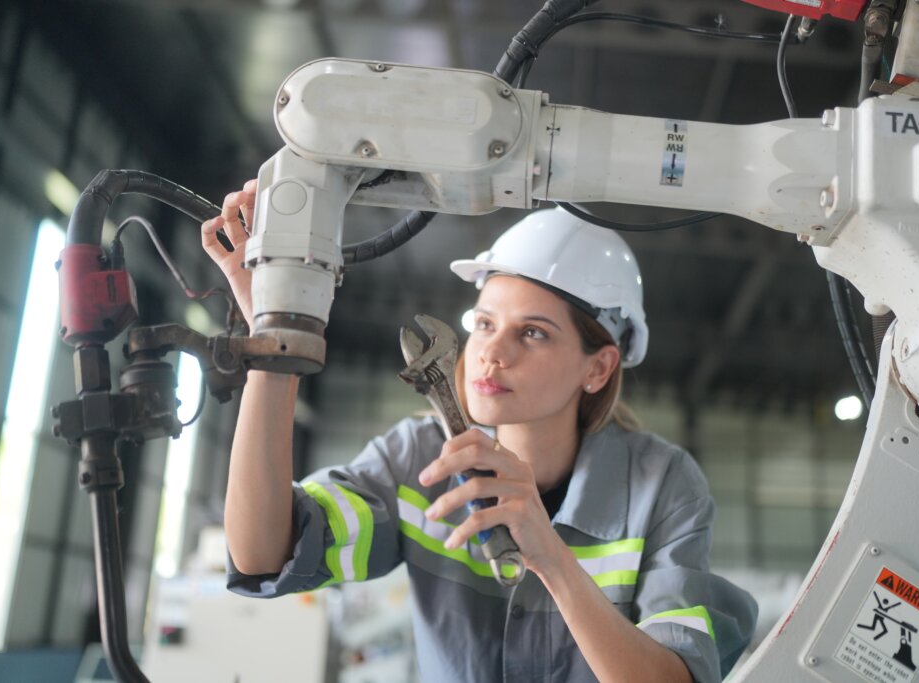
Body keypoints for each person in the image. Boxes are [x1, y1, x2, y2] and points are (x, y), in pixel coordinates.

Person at [201, 182, 758, 683]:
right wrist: (275, 339)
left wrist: (553, 559)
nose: (492, 352)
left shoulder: (662, 485)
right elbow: (262, 554)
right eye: (485, 323)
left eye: (533, 333)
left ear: (598, 368)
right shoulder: (418, 458)